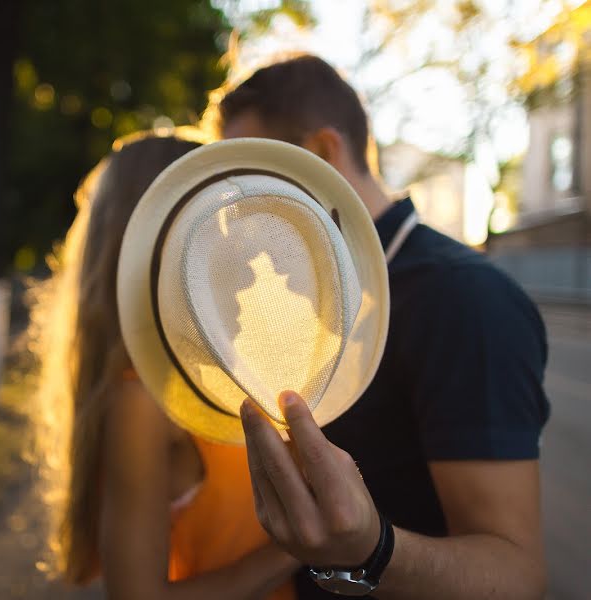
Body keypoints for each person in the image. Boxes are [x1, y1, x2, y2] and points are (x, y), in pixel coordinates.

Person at [216, 54, 550, 598]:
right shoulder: (316, 291)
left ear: (323, 152)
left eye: (251, 178)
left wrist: (373, 551)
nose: (239, 212)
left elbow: (517, 575)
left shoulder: (461, 299)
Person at [31, 132, 297, 599]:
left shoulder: (225, 368)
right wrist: (299, 548)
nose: (237, 248)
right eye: (215, 226)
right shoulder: (143, 399)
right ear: (163, 245)